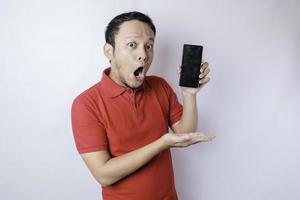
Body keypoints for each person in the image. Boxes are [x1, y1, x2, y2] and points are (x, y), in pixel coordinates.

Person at [71, 11, 215, 200]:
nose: (144, 55)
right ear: (109, 51)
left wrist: (189, 95)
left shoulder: (160, 86)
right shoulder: (86, 104)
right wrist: (161, 143)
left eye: (149, 46)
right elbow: (103, 174)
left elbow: (184, 134)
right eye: (132, 45)